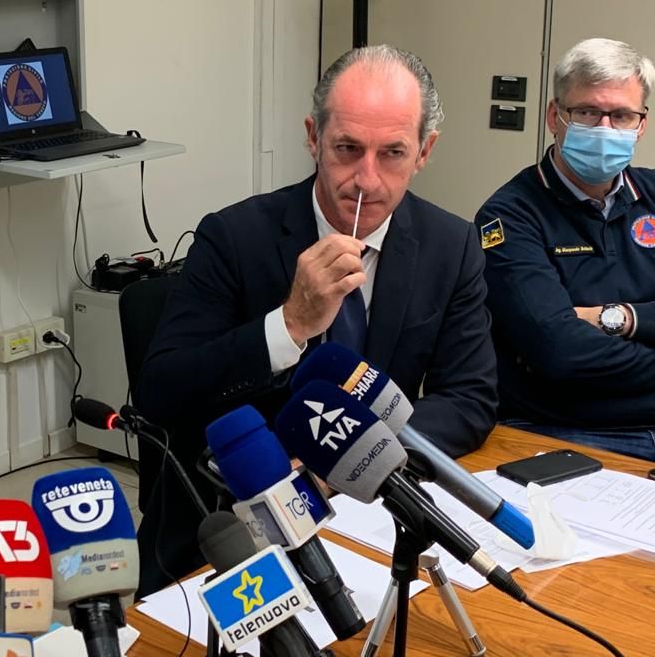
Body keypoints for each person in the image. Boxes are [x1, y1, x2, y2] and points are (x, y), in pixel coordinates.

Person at [134, 45, 498, 595]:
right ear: (313, 137)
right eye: (347, 149)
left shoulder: (451, 245)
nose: (366, 180)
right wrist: (289, 324)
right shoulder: (233, 237)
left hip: (368, 517)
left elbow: (470, 397)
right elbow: (159, 392)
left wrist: (354, 456)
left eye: (393, 153)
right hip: (227, 522)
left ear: (425, 151)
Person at [476, 37, 655, 461]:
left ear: (641, 125)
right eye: (588, 112)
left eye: (621, 115)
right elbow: (560, 351)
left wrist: (618, 317)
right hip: (565, 433)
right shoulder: (507, 216)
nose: (605, 128)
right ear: (554, 117)